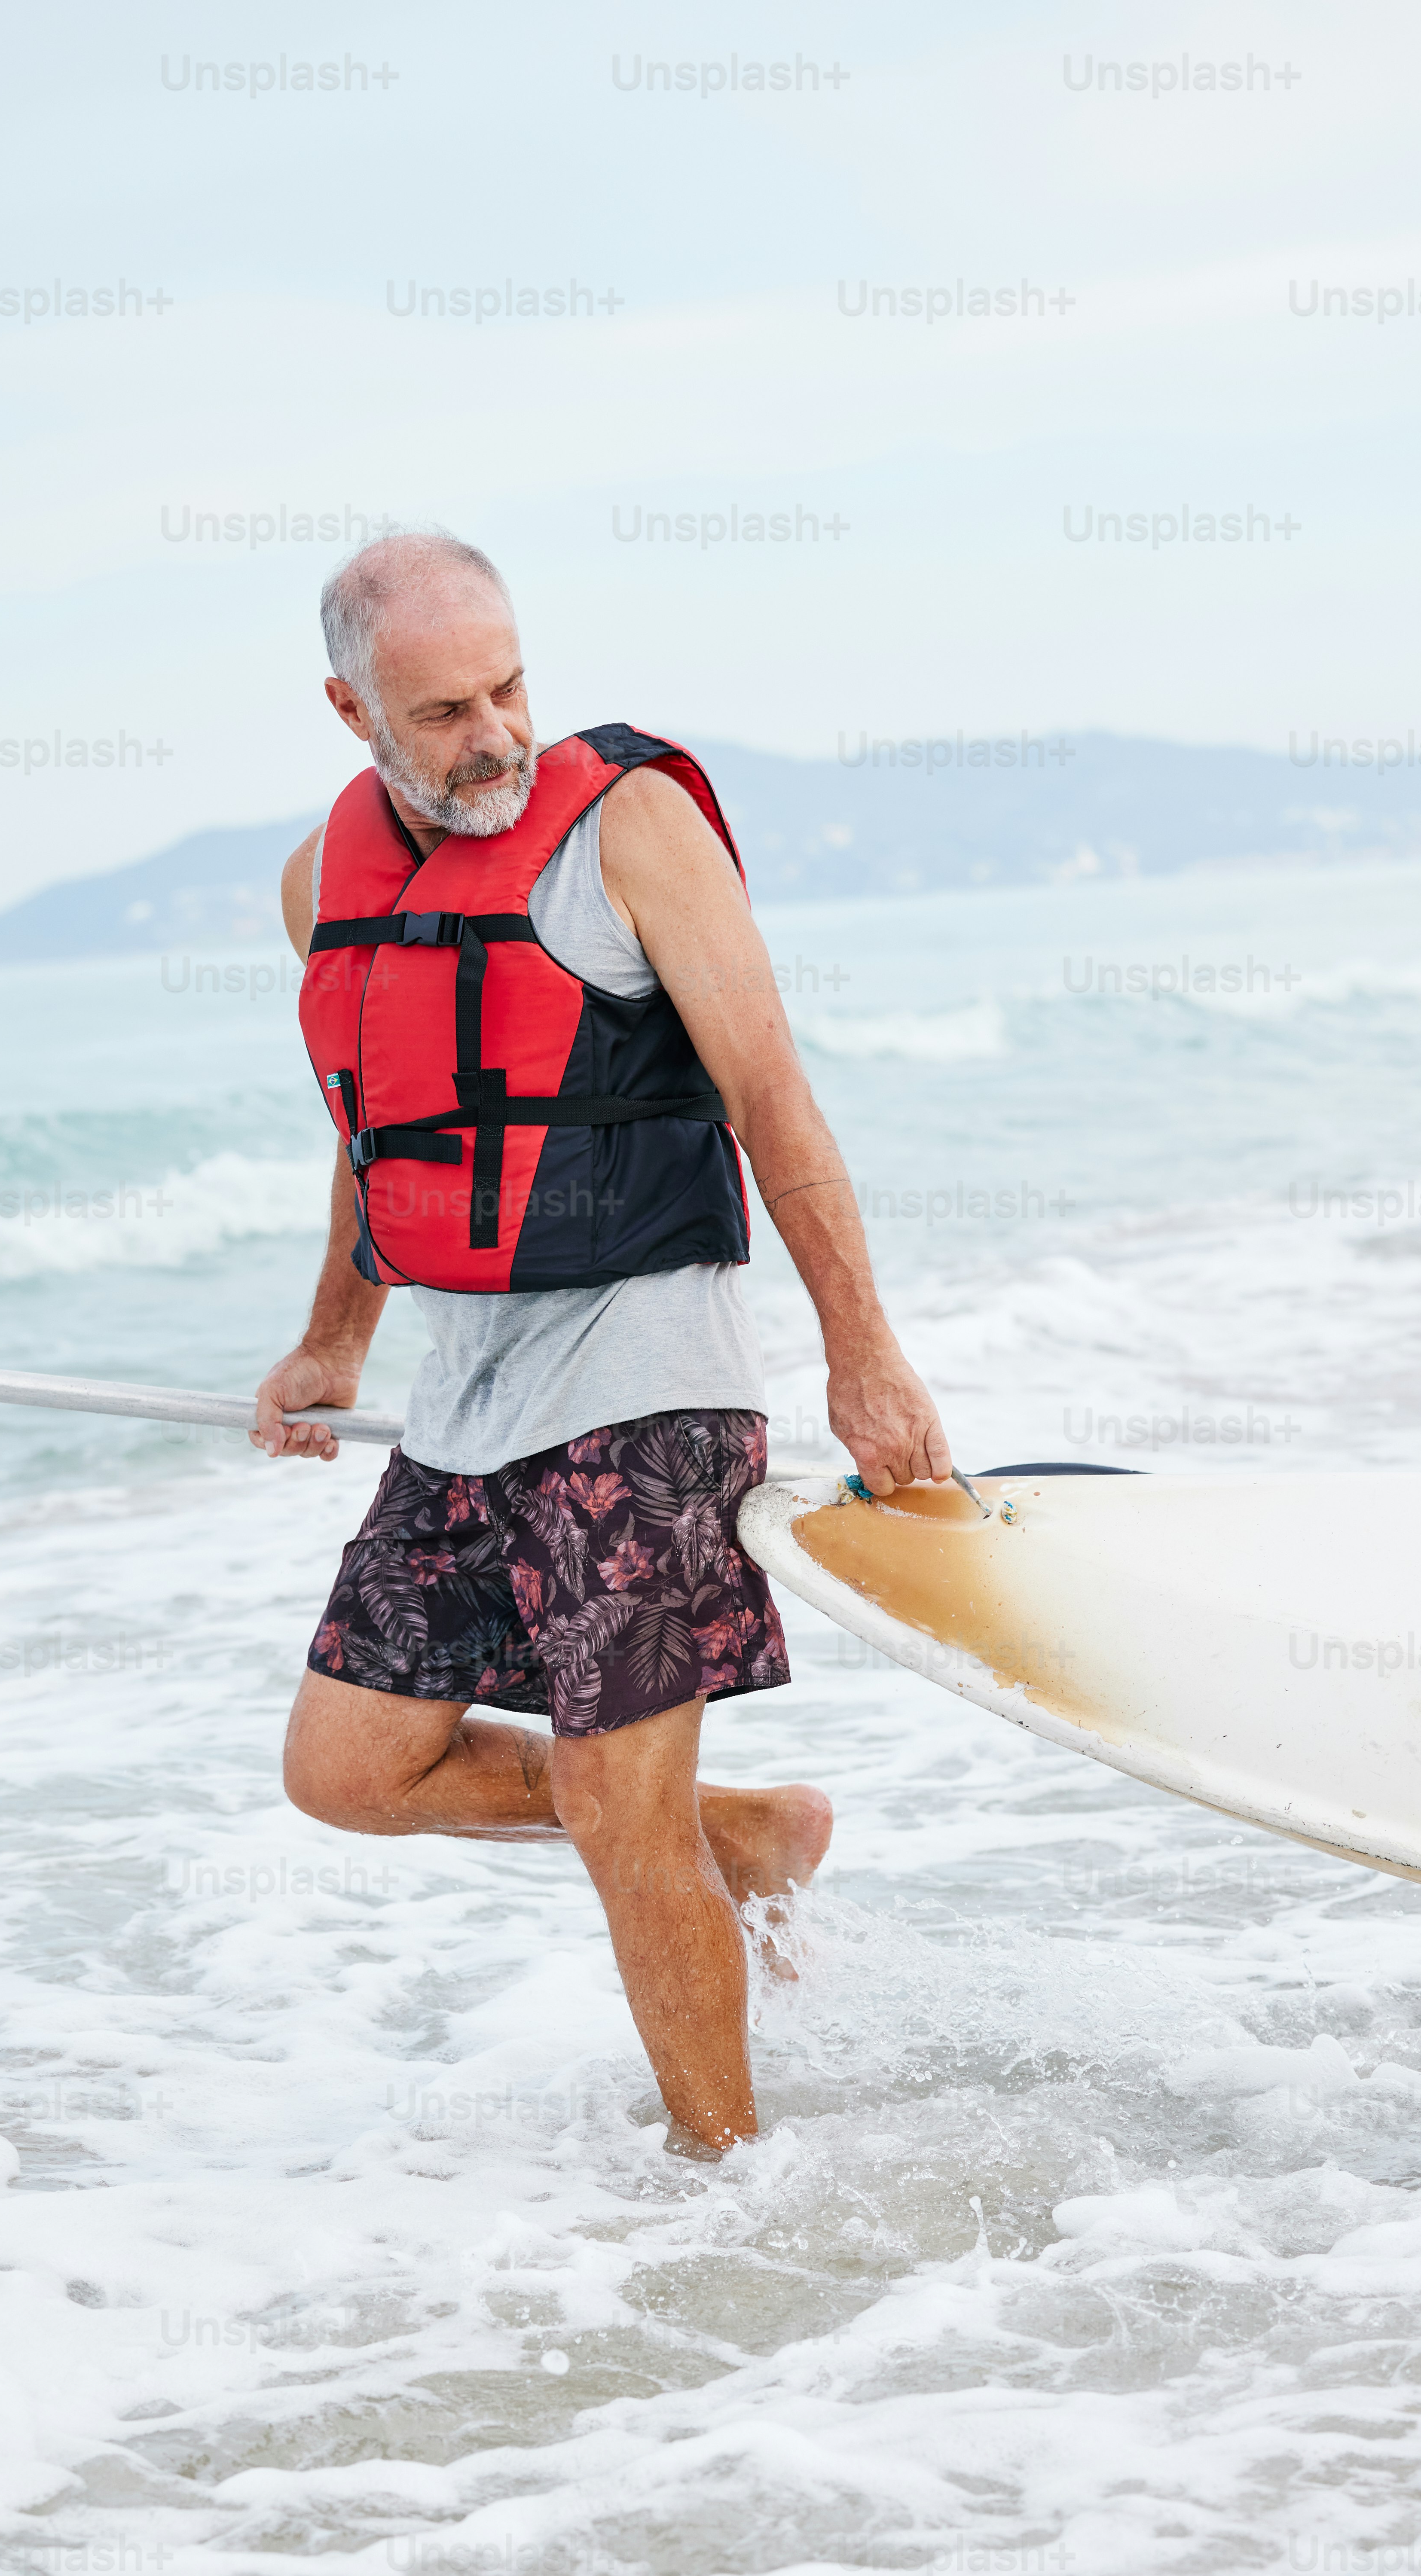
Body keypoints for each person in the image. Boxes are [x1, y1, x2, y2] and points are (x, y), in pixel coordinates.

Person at [254, 532, 951, 2149]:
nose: (494, 736)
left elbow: (772, 1094)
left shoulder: (630, 827)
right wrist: (328, 1345)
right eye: (441, 712)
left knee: (624, 1830)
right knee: (348, 1768)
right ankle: (755, 1837)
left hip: (653, 1382)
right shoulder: (320, 882)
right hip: (470, 1393)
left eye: (509, 688)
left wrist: (868, 1358)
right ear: (351, 710)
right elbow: (382, 1127)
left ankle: (728, 2189)